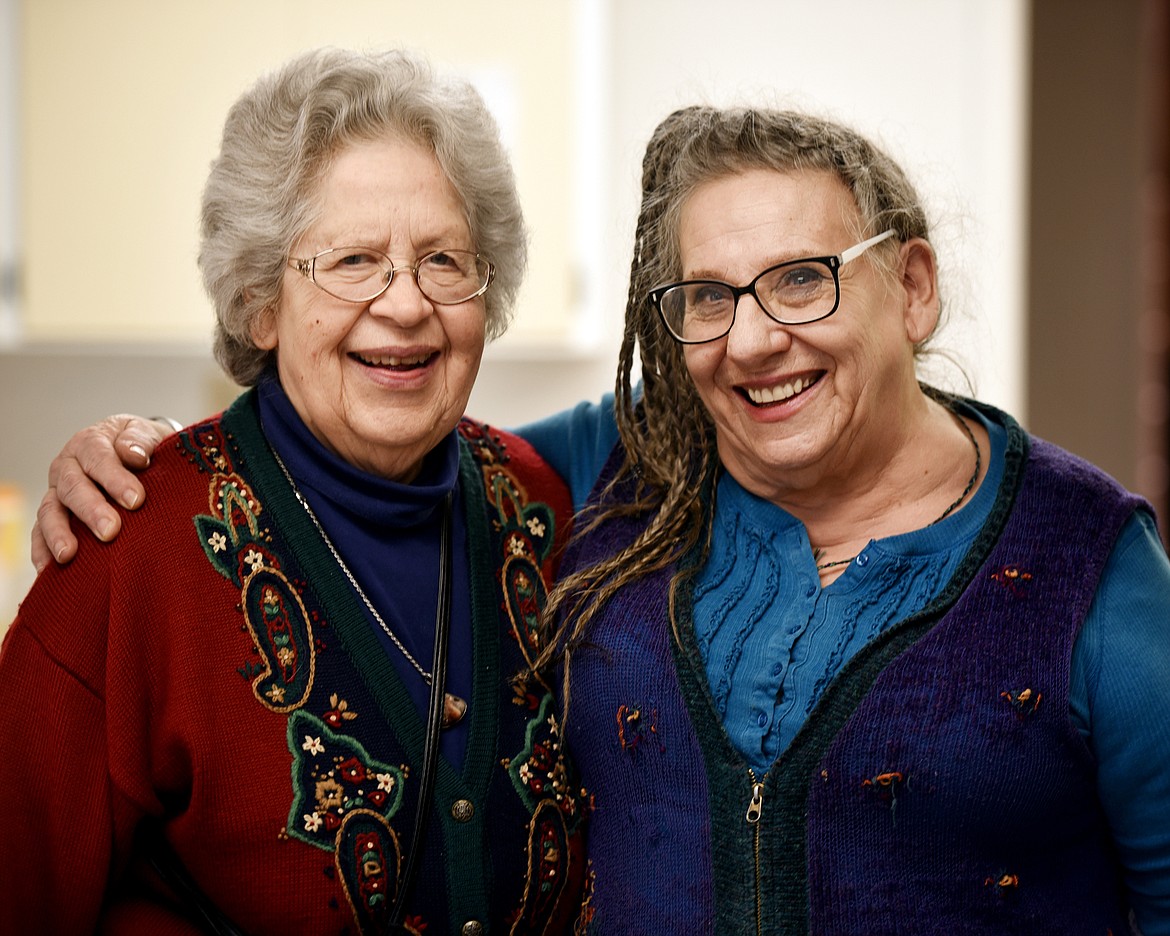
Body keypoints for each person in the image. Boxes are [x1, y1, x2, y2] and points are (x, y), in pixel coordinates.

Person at [27, 105, 1170, 935]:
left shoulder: (1091, 569)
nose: (755, 338)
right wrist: (133, 450)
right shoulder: (609, 472)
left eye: (805, 278)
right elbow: (375, 424)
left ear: (912, 286)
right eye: (708, 298)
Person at [0, 47, 591, 934]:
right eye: (352, 260)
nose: (405, 305)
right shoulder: (125, 549)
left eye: (443, 260)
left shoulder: (547, 511)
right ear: (261, 301)